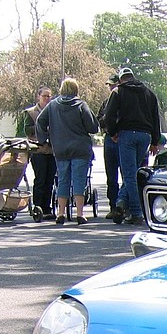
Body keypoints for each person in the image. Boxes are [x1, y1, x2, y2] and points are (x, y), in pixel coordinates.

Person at [101, 66, 161, 225]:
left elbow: (109, 116)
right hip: (145, 136)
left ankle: (136, 212)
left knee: (129, 175)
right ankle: (121, 202)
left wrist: (113, 133)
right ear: (133, 77)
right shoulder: (149, 93)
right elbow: (156, 118)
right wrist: (155, 141)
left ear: (121, 79)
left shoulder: (118, 92)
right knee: (133, 172)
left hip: (126, 134)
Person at [36, 77, 99, 225]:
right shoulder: (81, 105)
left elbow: (40, 121)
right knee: (79, 180)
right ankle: (80, 214)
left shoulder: (52, 105)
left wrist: (43, 139)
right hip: (80, 149)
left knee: (63, 180)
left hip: (60, 148)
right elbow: (92, 127)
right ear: (76, 90)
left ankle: (61, 213)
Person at [18, 87, 56, 218]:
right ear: (38, 97)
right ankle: (38, 206)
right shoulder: (30, 112)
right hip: (38, 150)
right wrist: (42, 127)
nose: (47, 98)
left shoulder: (54, 111)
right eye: (44, 96)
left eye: (49, 96)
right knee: (40, 179)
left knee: (50, 180)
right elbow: (28, 130)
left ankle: (47, 207)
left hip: (52, 150)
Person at [97, 73, 121, 212]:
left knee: (126, 174)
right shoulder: (106, 102)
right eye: (110, 85)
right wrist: (107, 127)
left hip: (122, 138)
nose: (111, 87)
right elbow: (99, 119)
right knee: (111, 176)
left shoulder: (125, 101)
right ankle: (113, 206)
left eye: (114, 84)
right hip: (109, 140)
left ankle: (124, 205)